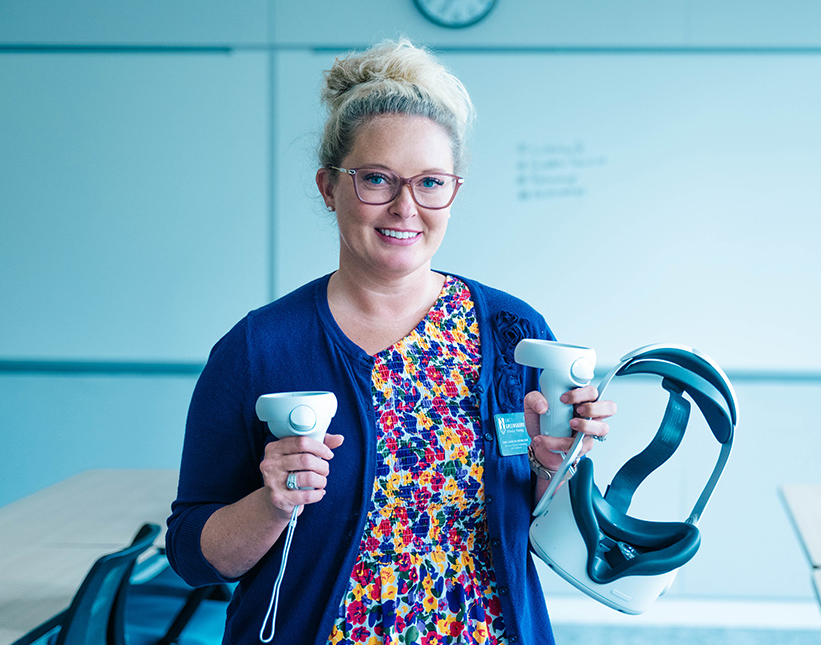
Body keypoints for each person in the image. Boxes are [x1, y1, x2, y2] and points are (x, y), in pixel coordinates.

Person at [165, 38, 615, 645]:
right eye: (376, 179)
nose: (406, 207)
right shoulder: (259, 348)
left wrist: (553, 467)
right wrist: (272, 504)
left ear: (452, 192)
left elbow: (552, 528)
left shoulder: (513, 333)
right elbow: (194, 554)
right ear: (328, 187)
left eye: (431, 183)